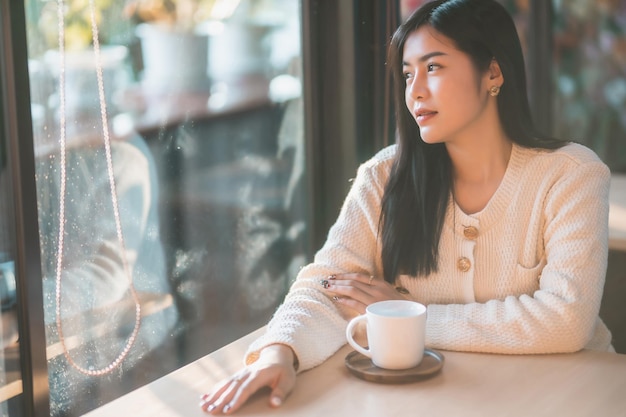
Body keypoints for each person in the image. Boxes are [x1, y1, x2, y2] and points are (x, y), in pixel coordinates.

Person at [200, 0, 613, 414]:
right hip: (436, 402)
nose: (415, 90)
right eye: (407, 73)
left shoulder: (571, 175)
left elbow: (565, 320)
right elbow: (327, 288)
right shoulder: (383, 176)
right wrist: (279, 354)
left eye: (433, 67)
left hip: (566, 397)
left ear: (492, 72)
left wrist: (406, 317)